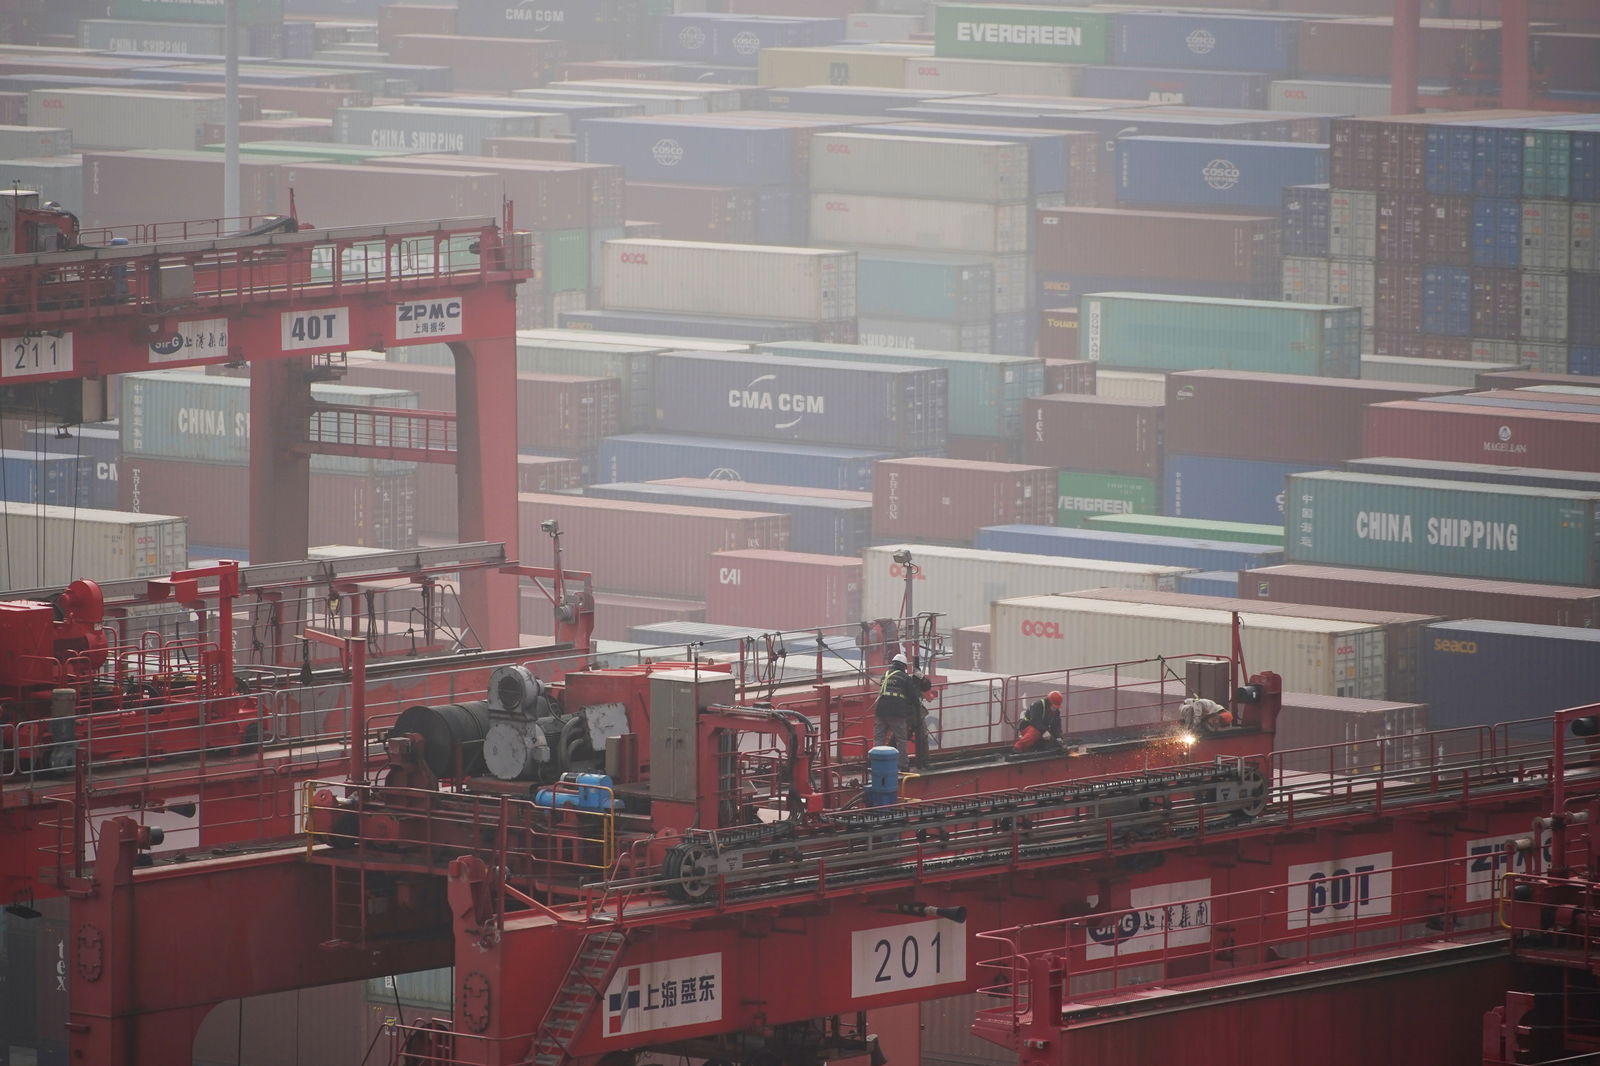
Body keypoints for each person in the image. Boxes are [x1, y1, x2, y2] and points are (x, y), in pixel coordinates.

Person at [875, 652, 929, 767]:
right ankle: (903, 764)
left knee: (879, 737)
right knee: (901, 739)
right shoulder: (904, 678)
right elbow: (913, 696)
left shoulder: (886, 675)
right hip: (896, 712)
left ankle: (876, 761)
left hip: (881, 711)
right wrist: (917, 705)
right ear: (904, 666)